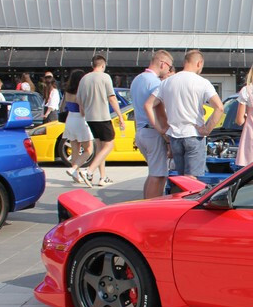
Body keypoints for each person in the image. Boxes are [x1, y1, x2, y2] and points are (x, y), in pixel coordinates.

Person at [147, 49, 224, 178]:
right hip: (194, 135)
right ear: (199, 63)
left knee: (181, 178)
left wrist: (160, 129)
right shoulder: (202, 82)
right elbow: (219, 107)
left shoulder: (167, 82)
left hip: (175, 137)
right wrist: (207, 129)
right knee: (193, 180)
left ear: (185, 62)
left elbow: (148, 105)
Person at [76, 55, 126, 187]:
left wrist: (83, 111)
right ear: (103, 65)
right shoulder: (105, 77)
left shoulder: (84, 79)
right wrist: (120, 116)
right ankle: (89, 171)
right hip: (102, 116)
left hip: (90, 117)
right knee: (109, 145)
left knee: (99, 147)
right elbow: (112, 98)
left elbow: (79, 100)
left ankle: (102, 177)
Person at [132, 50, 175, 198]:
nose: (169, 71)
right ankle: (150, 209)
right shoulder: (155, 83)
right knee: (159, 176)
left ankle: (144, 205)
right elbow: (159, 110)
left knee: (153, 173)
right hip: (153, 132)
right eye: (169, 67)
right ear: (163, 64)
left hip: (141, 131)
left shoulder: (137, 79)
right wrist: (165, 134)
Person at [61, 70, 94, 185]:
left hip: (70, 119)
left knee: (75, 148)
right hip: (80, 120)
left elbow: (63, 107)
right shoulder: (80, 93)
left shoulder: (67, 92)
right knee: (89, 149)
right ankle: (74, 168)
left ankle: (75, 173)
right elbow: (82, 111)